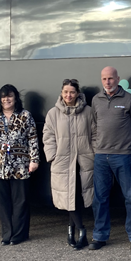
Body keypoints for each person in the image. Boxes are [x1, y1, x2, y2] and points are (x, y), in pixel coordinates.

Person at [0, 84, 39, 245]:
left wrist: (34, 160)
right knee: (2, 203)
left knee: (21, 201)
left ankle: (19, 234)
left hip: (20, 165)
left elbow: (33, 139)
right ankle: (7, 234)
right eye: (3, 97)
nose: (6, 99)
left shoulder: (25, 116)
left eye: (9, 96)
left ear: (15, 97)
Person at [90, 66, 131, 251]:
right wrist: (97, 148)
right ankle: (99, 236)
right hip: (101, 157)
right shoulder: (96, 100)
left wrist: (127, 147)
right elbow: (94, 127)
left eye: (111, 79)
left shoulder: (130, 100)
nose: (108, 82)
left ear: (118, 79)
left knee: (130, 197)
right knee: (100, 198)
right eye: (104, 79)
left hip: (123, 156)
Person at [43, 79, 95, 250]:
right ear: (61, 93)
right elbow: (48, 136)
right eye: (65, 92)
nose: (68, 95)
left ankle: (71, 230)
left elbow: (95, 134)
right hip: (63, 162)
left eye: (72, 92)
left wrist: (93, 154)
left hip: (83, 162)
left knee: (77, 198)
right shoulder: (53, 113)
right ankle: (81, 230)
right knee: (68, 197)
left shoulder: (88, 112)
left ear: (78, 93)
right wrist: (52, 156)